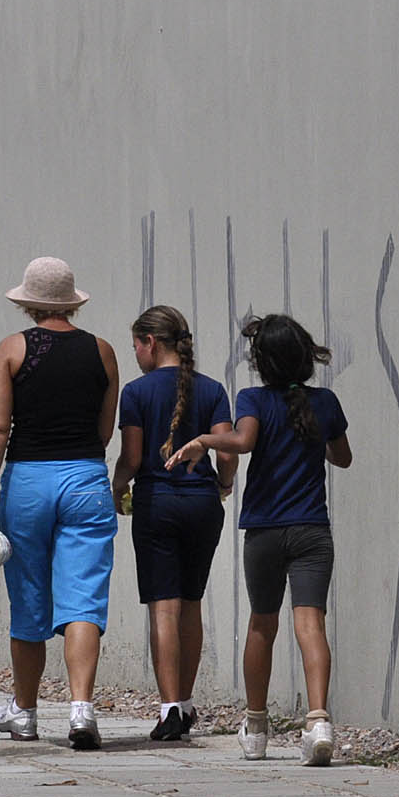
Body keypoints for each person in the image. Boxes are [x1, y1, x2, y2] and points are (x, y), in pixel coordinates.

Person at [166, 313, 351, 764]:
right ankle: (319, 718)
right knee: (311, 625)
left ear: (260, 362)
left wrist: (204, 441)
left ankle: (256, 723)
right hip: (312, 528)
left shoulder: (252, 399)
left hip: (266, 529)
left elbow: (243, 442)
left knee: (261, 624)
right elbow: (342, 457)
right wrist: (316, 434)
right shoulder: (324, 401)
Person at [0, 257, 120, 750]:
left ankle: (27, 711)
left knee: (30, 596)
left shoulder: (13, 350)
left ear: (30, 303)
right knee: (83, 597)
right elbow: (104, 429)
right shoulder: (103, 352)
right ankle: (81, 709)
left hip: (29, 482)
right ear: (70, 302)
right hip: (85, 477)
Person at [111, 305, 236, 740]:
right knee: (192, 603)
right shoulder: (214, 389)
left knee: (163, 607)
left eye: (136, 347)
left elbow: (131, 456)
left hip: (157, 502)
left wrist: (116, 487)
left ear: (151, 344)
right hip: (202, 504)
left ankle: (169, 712)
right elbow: (227, 449)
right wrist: (222, 483)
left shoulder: (137, 392)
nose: (136, 355)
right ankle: (184, 699)